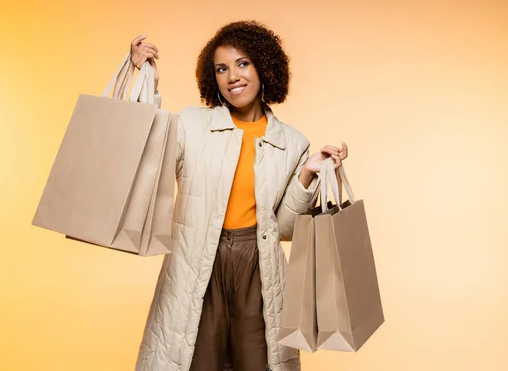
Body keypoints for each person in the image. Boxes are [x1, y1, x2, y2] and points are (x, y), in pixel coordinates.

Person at [130, 20, 348, 371]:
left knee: (258, 362)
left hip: (258, 267)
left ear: (264, 66)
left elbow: (286, 228)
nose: (232, 76)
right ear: (211, 77)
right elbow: (145, 155)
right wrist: (146, 84)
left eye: (242, 63)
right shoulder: (192, 125)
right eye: (221, 68)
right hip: (198, 262)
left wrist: (309, 174)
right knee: (195, 360)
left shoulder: (293, 142)